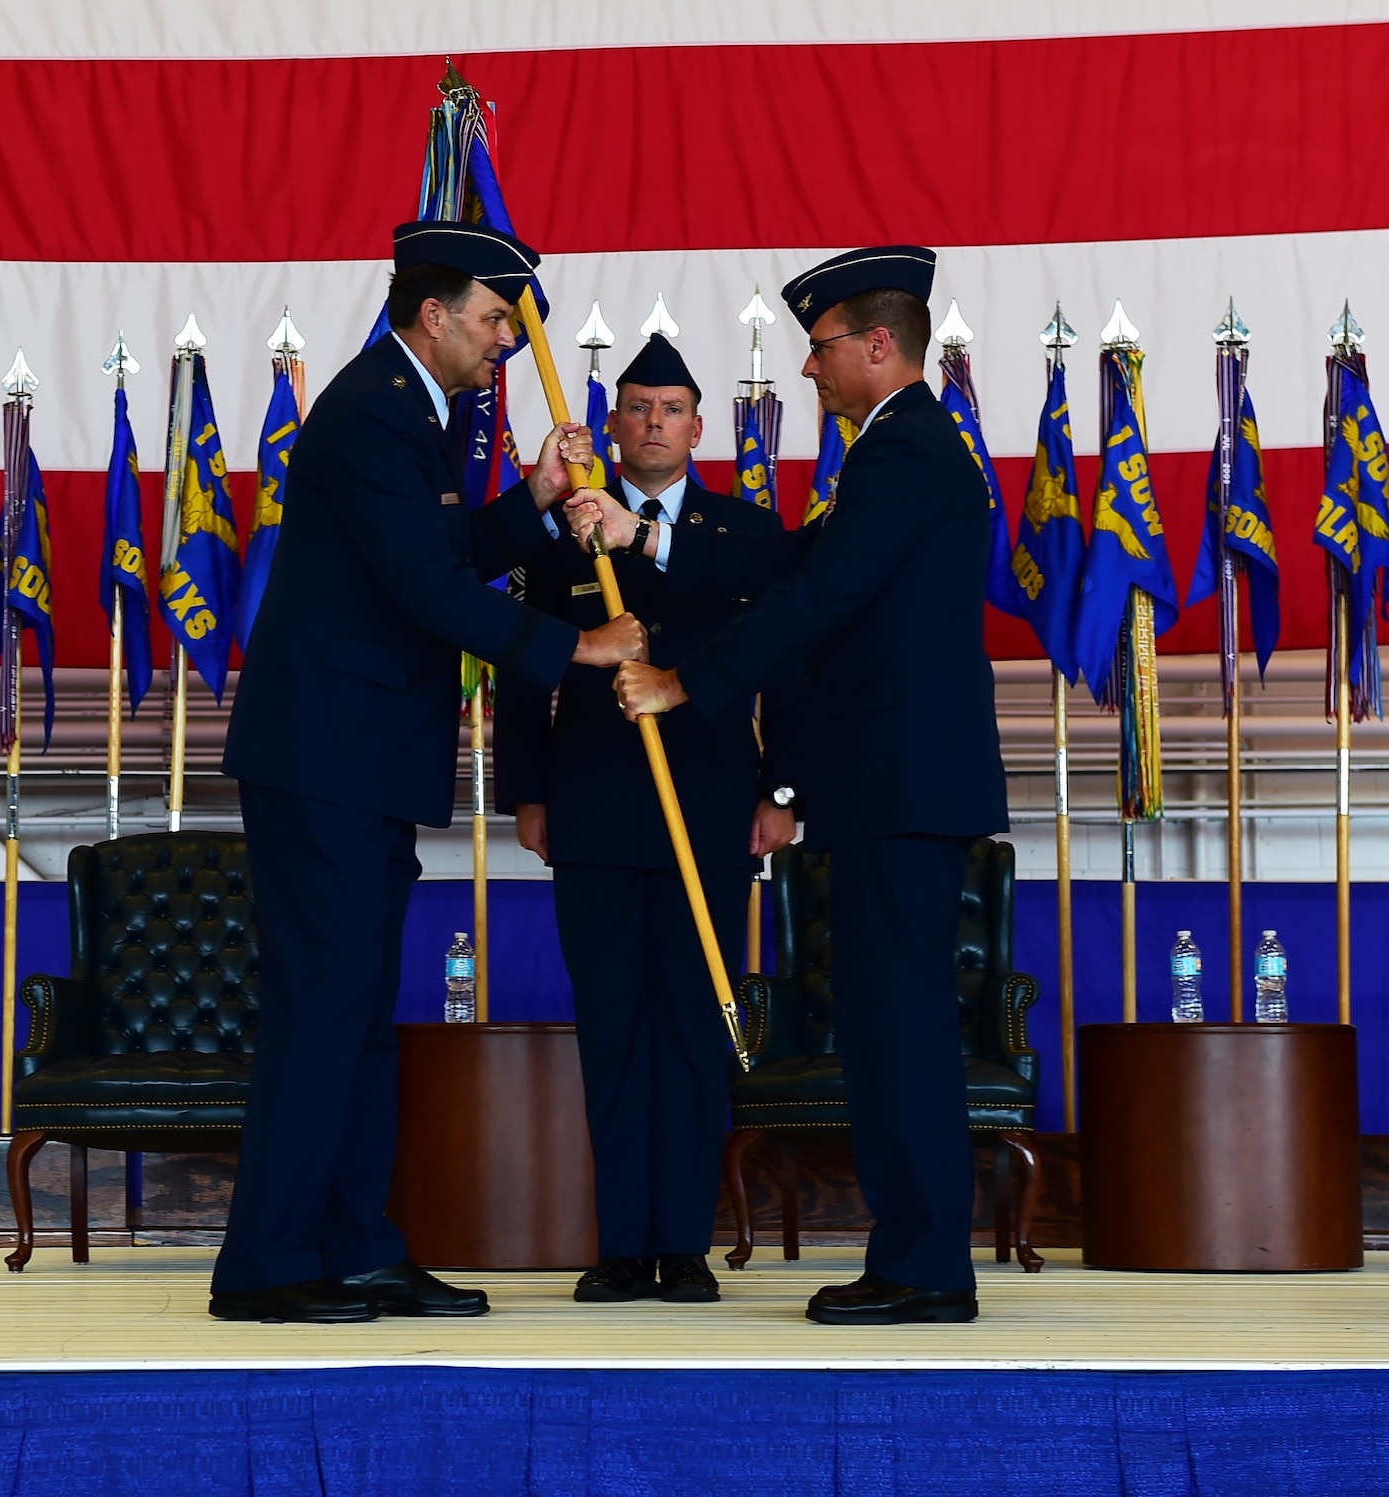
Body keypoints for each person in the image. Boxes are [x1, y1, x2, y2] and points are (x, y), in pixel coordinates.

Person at [214, 222, 646, 1324]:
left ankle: (358, 1248)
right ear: (432, 315)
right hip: (326, 760)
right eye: (496, 318)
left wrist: (532, 499)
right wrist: (572, 649)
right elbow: (424, 592)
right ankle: (266, 1268)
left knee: (356, 1012)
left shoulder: (413, 409)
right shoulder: (373, 412)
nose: (508, 339)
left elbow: (433, 555)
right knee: (323, 1011)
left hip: (359, 761)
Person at [608, 246, 1007, 1325]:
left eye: (821, 346)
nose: (808, 368)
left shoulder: (906, 452)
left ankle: (925, 1267)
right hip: (882, 786)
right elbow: (784, 566)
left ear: (879, 345)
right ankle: (914, 1256)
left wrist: (685, 683)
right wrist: (646, 533)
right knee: (882, 1024)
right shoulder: (896, 451)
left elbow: (816, 599)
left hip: (901, 787)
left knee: (900, 1028)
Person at [498, 332, 801, 1306]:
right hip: (592, 807)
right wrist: (528, 791)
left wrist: (781, 791)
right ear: (613, 425)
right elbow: (523, 666)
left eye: (670, 409)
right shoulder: (569, 531)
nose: (652, 424)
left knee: (692, 1029)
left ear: (698, 426)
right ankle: (624, 1243)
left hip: (710, 808)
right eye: (635, 408)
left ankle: (683, 1243)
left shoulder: (744, 533)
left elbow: (783, 661)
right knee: (615, 1031)